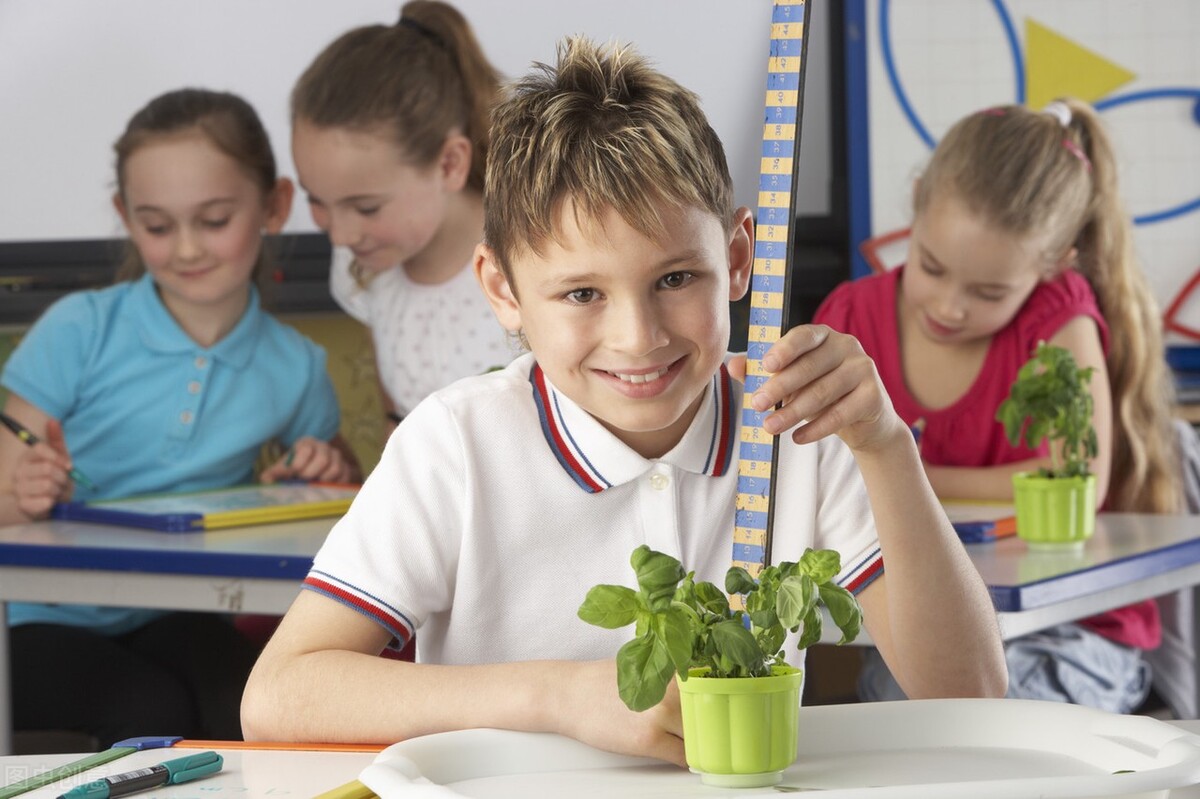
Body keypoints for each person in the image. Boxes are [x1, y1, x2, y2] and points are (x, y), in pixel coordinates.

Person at [241, 37, 1006, 763]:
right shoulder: (455, 443)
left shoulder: (800, 427)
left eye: (676, 279)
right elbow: (278, 695)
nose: (638, 338)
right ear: (502, 290)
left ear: (739, 259)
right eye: (581, 292)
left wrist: (886, 444)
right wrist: (563, 694)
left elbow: (968, 691)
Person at [0, 88, 358, 745]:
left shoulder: (294, 365)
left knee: (250, 704)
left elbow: (350, 502)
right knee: (148, 710)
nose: (187, 247)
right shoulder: (79, 329)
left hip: (180, 610)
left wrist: (326, 472)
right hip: (32, 617)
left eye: (215, 218)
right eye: (158, 226)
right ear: (125, 215)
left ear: (274, 205)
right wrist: (20, 493)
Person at [814, 99, 1181, 712]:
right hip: (918, 636)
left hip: (1071, 635)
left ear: (1053, 266)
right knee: (896, 701)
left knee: (950, 714)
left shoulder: (1057, 320)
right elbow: (821, 484)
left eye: (989, 292)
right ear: (916, 203)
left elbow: (1078, 484)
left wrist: (900, 468)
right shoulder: (852, 317)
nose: (951, 307)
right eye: (930, 266)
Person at [291, 0, 513, 440]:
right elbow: (397, 418)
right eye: (317, 201)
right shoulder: (365, 268)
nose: (339, 234)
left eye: (366, 207)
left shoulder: (532, 257)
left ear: (449, 164)